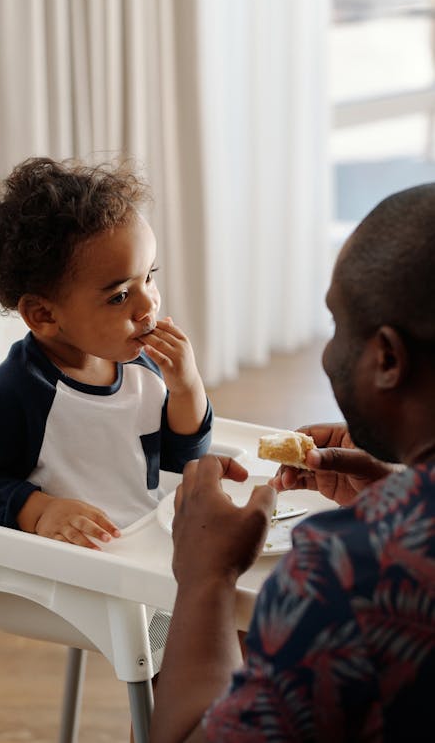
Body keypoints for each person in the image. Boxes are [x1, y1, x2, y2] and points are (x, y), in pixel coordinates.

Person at [150, 183, 435, 742]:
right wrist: (397, 490)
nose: (328, 352)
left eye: (335, 325)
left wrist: (205, 578)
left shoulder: (347, 570)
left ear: (387, 358)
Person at [0, 156, 212, 548]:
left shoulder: (140, 366)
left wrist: (187, 389)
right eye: (119, 295)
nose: (147, 305)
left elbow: (179, 462)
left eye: (149, 276)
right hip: (70, 573)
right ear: (44, 314)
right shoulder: (17, 394)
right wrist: (40, 511)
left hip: (140, 548)